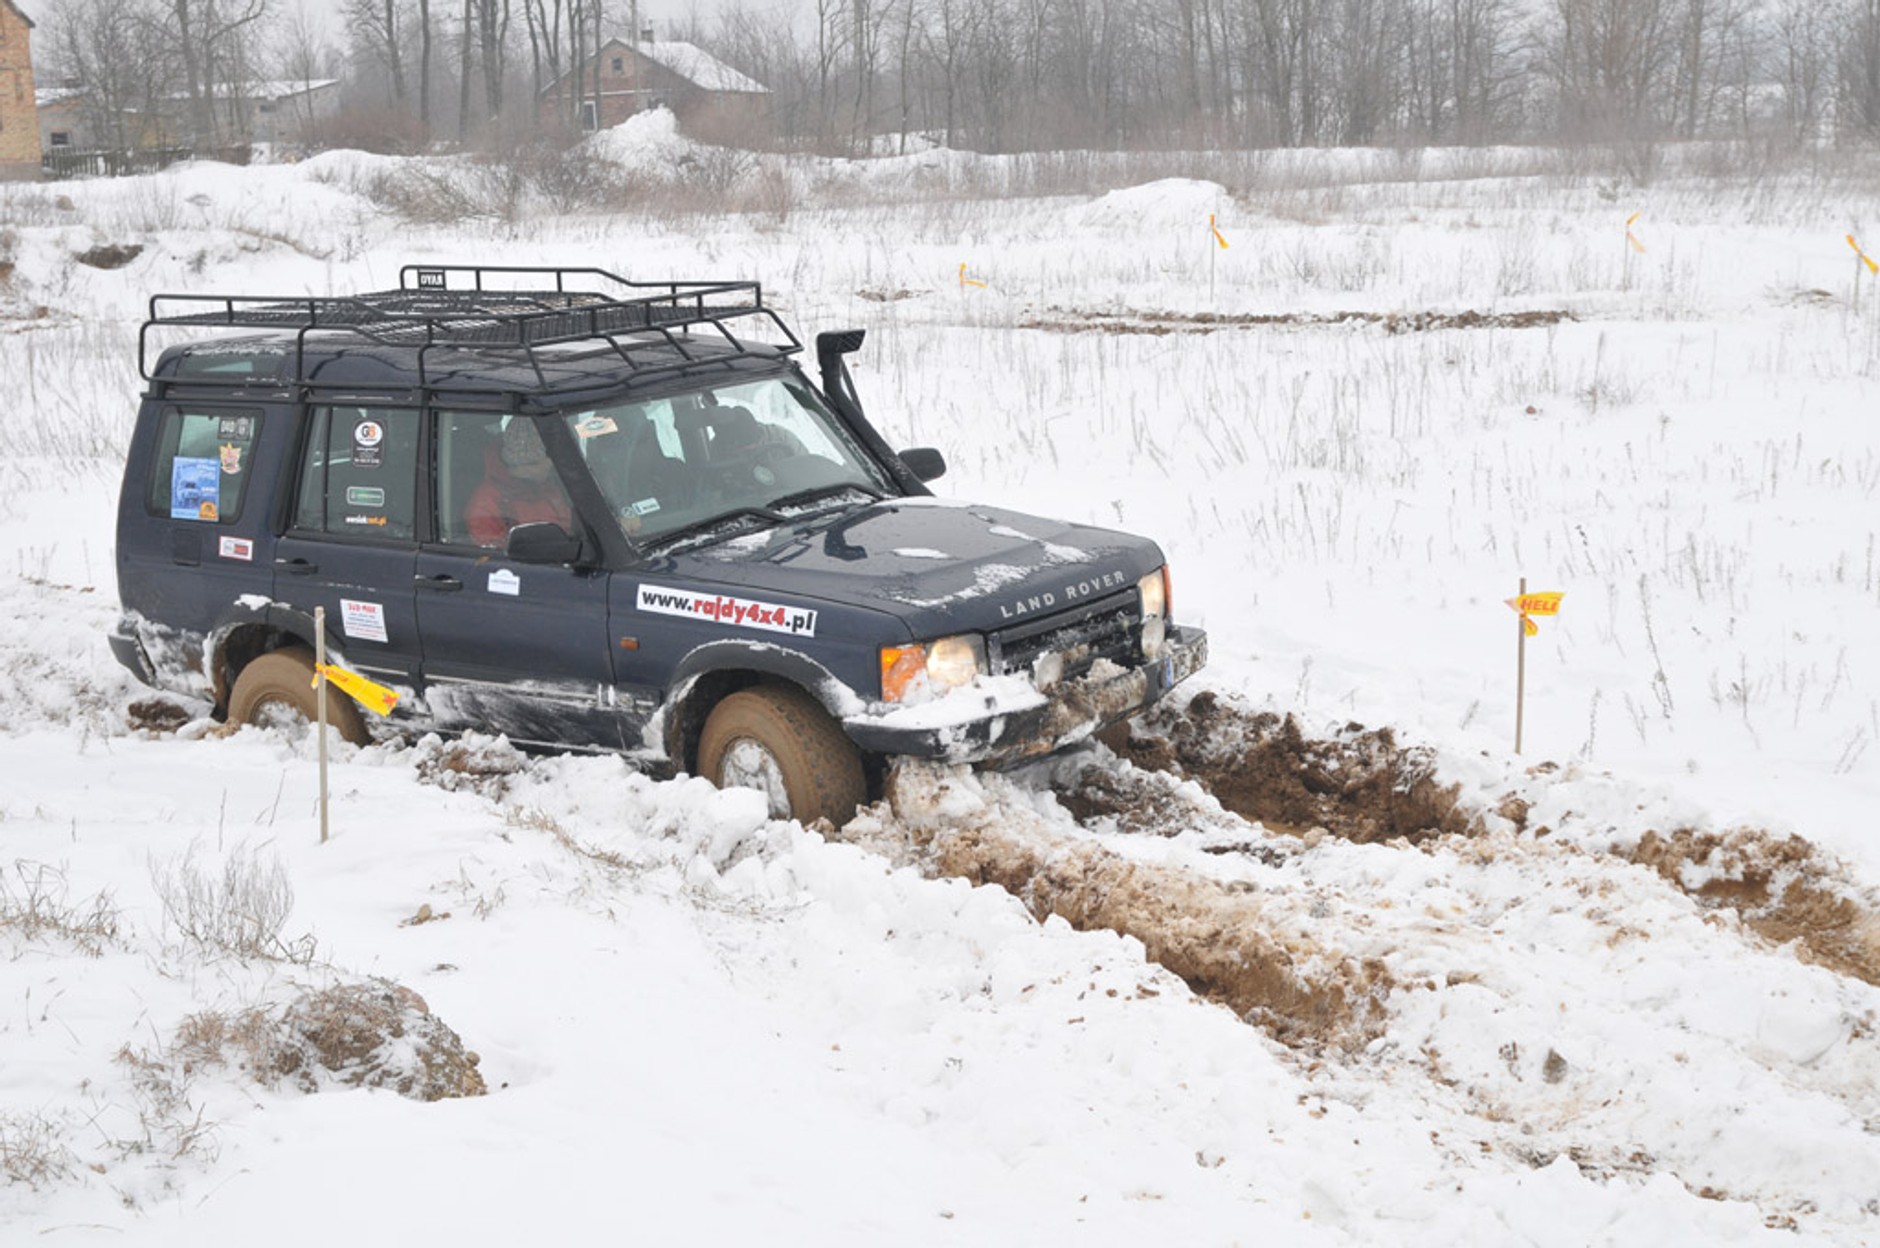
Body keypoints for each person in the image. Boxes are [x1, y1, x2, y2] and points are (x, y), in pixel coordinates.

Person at [463, 420, 574, 547]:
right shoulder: (487, 502)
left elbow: (569, 531)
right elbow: (496, 554)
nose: (551, 465)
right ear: (526, 465)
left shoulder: (550, 488)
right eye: (545, 460)